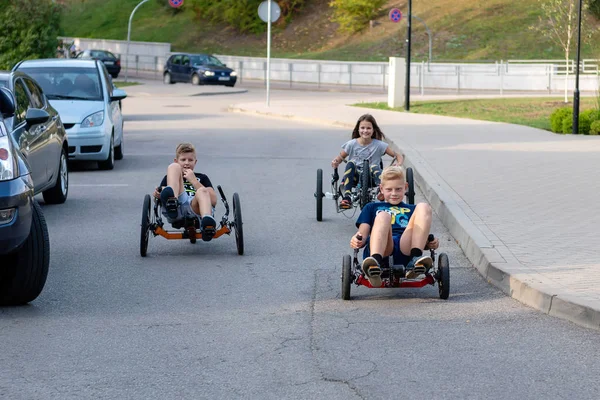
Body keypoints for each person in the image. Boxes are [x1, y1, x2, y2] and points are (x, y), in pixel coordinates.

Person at [350, 166, 439, 287]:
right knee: (383, 216)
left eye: (398, 189)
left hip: (406, 248)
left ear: (405, 188)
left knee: (423, 206)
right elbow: (363, 233)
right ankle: (375, 265)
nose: (394, 193)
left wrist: (430, 243)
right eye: (389, 189)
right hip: (382, 248)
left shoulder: (412, 209)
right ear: (381, 189)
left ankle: (415, 261)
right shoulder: (371, 207)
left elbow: (420, 233)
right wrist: (357, 239)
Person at [331, 114, 403, 209]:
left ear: (373, 130)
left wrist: (398, 164)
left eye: (368, 128)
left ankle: (381, 191)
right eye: (362, 128)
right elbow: (340, 157)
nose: (365, 131)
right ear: (358, 129)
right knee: (350, 163)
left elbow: (398, 155)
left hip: (372, 178)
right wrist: (336, 161)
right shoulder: (352, 144)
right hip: (355, 177)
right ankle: (347, 197)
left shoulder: (379, 145)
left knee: (373, 166)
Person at [153, 142, 217, 241]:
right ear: (177, 160)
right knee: (173, 167)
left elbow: (213, 200)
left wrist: (194, 181)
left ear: (195, 162)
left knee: (202, 191)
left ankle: (207, 224)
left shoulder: (202, 177)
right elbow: (159, 197)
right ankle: (172, 202)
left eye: (190, 160)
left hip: (196, 207)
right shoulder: (169, 177)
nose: (187, 163)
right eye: (183, 159)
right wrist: (157, 195)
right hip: (178, 205)